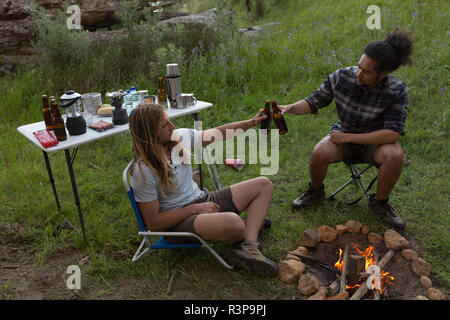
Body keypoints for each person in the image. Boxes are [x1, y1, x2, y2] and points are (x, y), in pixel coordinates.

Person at [279, 28, 415, 230]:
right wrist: (288, 108)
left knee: (395, 154)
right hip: (344, 137)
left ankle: (379, 203)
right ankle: (316, 191)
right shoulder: (342, 77)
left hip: (374, 144)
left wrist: (347, 137)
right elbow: (313, 102)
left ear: (383, 73)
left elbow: (392, 133)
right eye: (359, 67)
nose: (359, 74)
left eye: (367, 72)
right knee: (318, 152)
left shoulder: (397, 91)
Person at [128, 103, 278, 277]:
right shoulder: (142, 171)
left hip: (203, 199)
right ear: (149, 133)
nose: (172, 126)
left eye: (169, 121)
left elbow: (217, 133)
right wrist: (195, 209)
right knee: (235, 224)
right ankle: (250, 225)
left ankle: (249, 247)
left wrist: (251, 122)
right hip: (177, 224)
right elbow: (153, 224)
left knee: (263, 184)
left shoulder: (178, 138)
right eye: (164, 125)